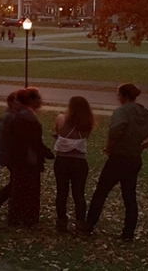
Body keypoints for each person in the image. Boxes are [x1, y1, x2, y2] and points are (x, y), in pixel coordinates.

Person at [82, 84, 148, 242]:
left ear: (124, 96)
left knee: (101, 192)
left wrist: (109, 147)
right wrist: (142, 146)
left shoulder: (122, 111)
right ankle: (128, 233)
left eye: (118, 95)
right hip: (134, 159)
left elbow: (115, 130)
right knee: (129, 197)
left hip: (118, 157)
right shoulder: (147, 114)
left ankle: (89, 225)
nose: (117, 98)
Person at [7, 88, 54, 227]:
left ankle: (18, 216)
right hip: (27, 159)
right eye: (38, 98)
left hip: (20, 158)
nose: (41, 101)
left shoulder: (20, 116)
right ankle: (27, 217)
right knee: (28, 189)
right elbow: (33, 141)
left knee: (19, 188)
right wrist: (46, 153)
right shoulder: (28, 118)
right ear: (31, 100)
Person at [53, 96, 94, 232]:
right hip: (79, 162)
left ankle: (61, 221)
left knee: (62, 191)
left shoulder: (61, 118)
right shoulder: (87, 123)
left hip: (63, 161)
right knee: (79, 193)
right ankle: (80, 222)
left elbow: (58, 131)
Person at [0, 91, 20, 210]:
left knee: (16, 182)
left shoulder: (14, 115)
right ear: (11, 102)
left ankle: (12, 204)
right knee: (16, 182)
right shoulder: (8, 116)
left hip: (13, 154)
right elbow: (4, 138)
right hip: (10, 155)